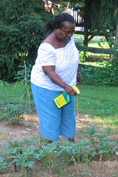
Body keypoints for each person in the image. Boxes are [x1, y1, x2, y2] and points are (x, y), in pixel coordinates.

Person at [30, 13, 82, 142]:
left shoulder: (69, 39)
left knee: (68, 117)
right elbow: (49, 71)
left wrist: (77, 73)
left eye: (72, 32)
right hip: (46, 88)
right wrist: (66, 86)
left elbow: (73, 57)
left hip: (66, 88)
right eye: (66, 32)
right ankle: (48, 153)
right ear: (57, 28)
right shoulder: (47, 47)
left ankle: (72, 149)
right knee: (51, 119)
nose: (69, 35)